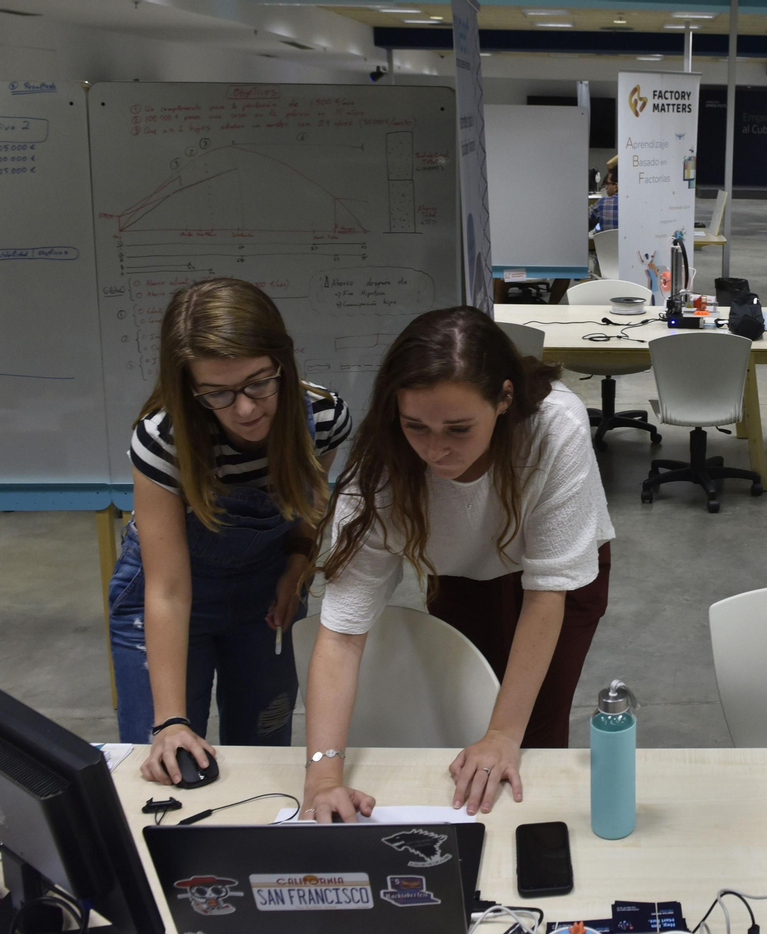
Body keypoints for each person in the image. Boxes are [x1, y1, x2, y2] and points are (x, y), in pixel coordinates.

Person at [303, 307, 614, 822]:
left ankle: (531, 833)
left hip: (559, 573)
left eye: (458, 428)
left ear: (504, 399)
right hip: (460, 570)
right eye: (416, 427)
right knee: (468, 708)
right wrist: (323, 776)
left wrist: (504, 735)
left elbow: (546, 593)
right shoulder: (380, 472)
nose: (436, 450)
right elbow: (342, 633)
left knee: (530, 732)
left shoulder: (555, 426)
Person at [110, 278, 351, 785]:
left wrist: (297, 566)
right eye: (217, 393)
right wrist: (170, 721)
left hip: (265, 591)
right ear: (188, 387)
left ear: (283, 362)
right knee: (168, 761)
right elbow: (168, 589)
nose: (245, 408)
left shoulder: (324, 417)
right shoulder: (163, 439)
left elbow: (309, 505)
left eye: (259, 383)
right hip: (173, 595)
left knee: (264, 755)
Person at [590, 167, 618, 232]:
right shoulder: (636, 204)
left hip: (607, 239)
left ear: (615, 186)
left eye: (607, 183)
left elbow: (585, 224)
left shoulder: (601, 203)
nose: (606, 187)